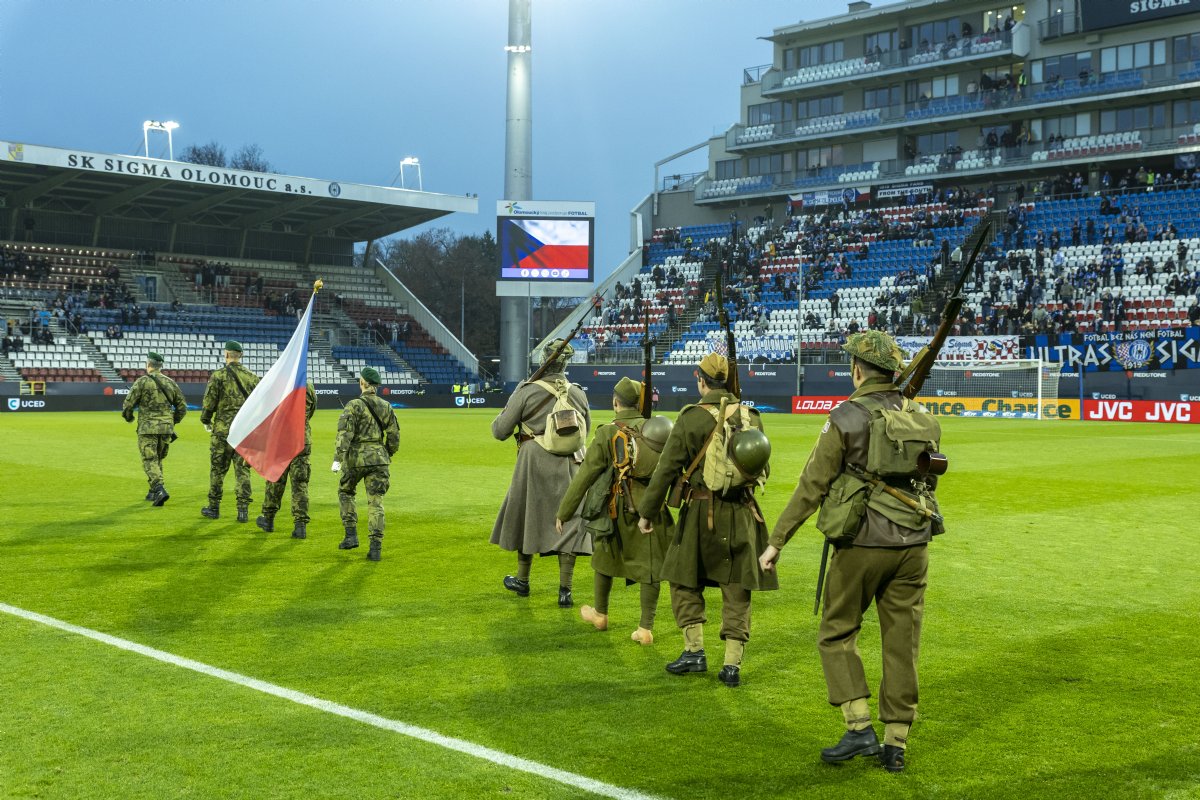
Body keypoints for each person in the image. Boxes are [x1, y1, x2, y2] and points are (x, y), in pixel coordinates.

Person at [759, 330, 943, 774]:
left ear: (857, 370)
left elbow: (812, 485)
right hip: (914, 543)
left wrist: (777, 540)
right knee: (902, 642)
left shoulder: (845, 416)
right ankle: (896, 741)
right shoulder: (922, 416)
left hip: (862, 541)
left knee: (837, 630)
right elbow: (929, 478)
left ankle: (858, 726)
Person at [636, 353, 778, 688]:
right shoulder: (750, 417)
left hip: (701, 512)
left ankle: (694, 651)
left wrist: (647, 513)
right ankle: (732, 664)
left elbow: (666, 469)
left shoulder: (691, 418)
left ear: (700, 380)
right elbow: (763, 468)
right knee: (737, 588)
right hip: (743, 512)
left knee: (683, 578)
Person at [555, 378, 674, 644]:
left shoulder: (607, 432)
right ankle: (645, 628)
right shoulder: (655, 429)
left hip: (615, 506)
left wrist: (564, 511)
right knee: (650, 566)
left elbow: (585, 475)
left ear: (615, 402)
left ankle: (600, 614)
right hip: (652, 506)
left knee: (604, 558)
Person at [490, 339, 592, 607]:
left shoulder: (527, 391)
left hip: (533, 462)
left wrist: (515, 397)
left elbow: (500, 430)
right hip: (570, 463)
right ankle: (565, 590)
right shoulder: (578, 393)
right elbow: (586, 429)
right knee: (569, 523)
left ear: (544, 360)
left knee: (528, 517)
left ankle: (523, 580)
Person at [333, 368, 399, 562]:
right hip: (379, 459)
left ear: (362, 383)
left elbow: (345, 434)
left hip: (356, 459)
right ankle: (375, 547)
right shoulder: (386, 406)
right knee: (376, 502)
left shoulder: (353, 405)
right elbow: (394, 435)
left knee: (346, 492)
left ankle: (351, 535)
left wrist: (337, 459)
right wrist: (387, 452)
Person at [199, 341, 261, 522]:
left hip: (222, 430)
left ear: (226, 354)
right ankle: (243, 510)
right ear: (241, 355)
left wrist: (206, 419)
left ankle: (213, 507)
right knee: (243, 471)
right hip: (244, 432)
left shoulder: (218, 376)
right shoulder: (253, 378)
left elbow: (209, 402)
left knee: (217, 470)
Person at [121, 351, 187, 506]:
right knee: (157, 459)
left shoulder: (142, 382)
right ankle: (152, 492)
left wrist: (129, 418)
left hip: (148, 427)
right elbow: (182, 407)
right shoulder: (170, 383)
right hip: (165, 429)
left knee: (149, 459)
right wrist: (171, 422)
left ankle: (159, 489)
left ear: (148, 364)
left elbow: (128, 405)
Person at [257, 381, 317, 539]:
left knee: (275, 479)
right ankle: (300, 525)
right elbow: (311, 410)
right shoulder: (308, 386)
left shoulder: (279, 383)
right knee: (300, 484)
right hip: (301, 439)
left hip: (280, 439)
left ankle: (268, 519)